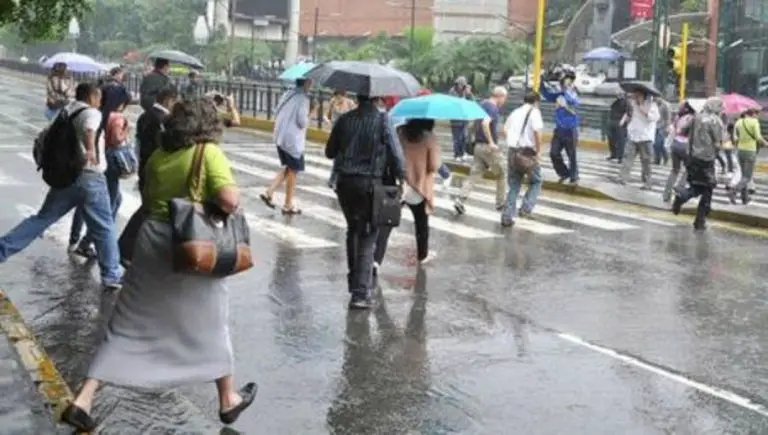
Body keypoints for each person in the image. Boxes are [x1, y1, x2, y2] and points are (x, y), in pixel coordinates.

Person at [60, 98, 256, 432]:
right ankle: (227, 399)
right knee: (211, 319)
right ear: (208, 126)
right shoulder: (207, 152)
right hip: (192, 246)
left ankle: (84, 398)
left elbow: (149, 199)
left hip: (152, 239)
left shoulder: (159, 156)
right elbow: (228, 200)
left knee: (129, 319)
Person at [0, 83, 122, 289]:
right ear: (91, 96)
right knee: (104, 226)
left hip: (68, 176)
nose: (100, 101)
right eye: (98, 96)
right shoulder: (91, 112)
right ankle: (111, 274)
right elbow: (90, 129)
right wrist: (91, 149)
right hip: (90, 177)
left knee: (42, 219)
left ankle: (3, 249)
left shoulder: (68, 110)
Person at [325, 94, 405, 310]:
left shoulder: (344, 120)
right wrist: (401, 177)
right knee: (369, 234)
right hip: (370, 184)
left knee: (353, 229)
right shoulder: (383, 120)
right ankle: (360, 293)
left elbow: (329, 152)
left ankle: (354, 282)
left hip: (345, 183)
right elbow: (396, 155)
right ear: (377, 98)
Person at [68, 100, 131, 257]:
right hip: (107, 162)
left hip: (95, 161)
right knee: (110, 204)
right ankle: (88, 242)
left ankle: (75, 239)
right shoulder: (117, 118)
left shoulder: (100, 115)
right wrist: (127, 131)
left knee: (85, 203)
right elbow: (117, 138)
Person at [375, 119, 439, 270]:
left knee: (387, 223)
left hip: (398, 184)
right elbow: (434, 165)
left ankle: (376, 259)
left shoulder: (399, 132)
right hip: (419, 187)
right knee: (421, 223)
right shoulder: (430, 138)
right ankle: (422, 255)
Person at [671, 97, 726, 231]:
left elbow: (685, 132)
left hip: (693, 156)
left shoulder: (696, 117)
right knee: (706, 188)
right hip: (707, 159)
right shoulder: (716, 121)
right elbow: (718, 142)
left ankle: (697, 217)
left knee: (698, 184)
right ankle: (688, 204)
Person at [259, 78, 312, 215]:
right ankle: (288, 204)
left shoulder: (288, 94)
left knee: (288, 167)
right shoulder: (303, 98)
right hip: (292, 140)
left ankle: (269, 192)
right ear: (306, 83)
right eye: (310, 82)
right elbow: (302, 122)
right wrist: (312, 112)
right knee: (293, 171)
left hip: (280, 137)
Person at [453, 86, 508, 214]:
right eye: (504, 98)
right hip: (488, 148)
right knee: (502, 173)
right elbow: (485, 123)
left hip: (478, 146)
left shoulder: (482, 104)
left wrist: (472, 139)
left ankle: (460, 199)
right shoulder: (493, 107)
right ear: (499, 96)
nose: (504, 101)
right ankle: (501, 203)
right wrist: (491, 142)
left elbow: (472, 123)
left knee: (474, 175)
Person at [501, 92, 544, 227]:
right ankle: (526, 208)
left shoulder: (515, 112)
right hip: (527, 153)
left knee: (514, 184)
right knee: (536, 181)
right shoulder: (535, 112)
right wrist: (538, 151)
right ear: (536, 102)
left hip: (512, 151)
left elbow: (505, 129)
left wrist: (514, 141)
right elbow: (537, 132)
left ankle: (507, 216)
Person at [540, 68, 580, 184]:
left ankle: (574, 176)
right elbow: (546, 94)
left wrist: (565, 96)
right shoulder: (559, 94)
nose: (565, 82)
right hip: (559, 130)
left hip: (570, 129)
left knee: (571, 155)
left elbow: (573, 102)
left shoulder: (573, 92)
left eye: (567, 79)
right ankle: (564, 173)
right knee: (554, 153)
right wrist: (541, 80)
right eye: (564, 80)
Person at [136, 88, 179, 193]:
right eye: (175, 102)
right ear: (168, 100)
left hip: (144, 162)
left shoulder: (143, 115)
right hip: (159, 165)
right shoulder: (165, 119)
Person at [618, 88, 659, 189]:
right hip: (632, 136)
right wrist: (624, 121)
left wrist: (641, 107)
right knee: (627, 158)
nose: (636, 97)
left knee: (646, 162)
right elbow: (629, 115)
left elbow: (653, 118)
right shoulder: (632, 104)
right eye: (635, 95)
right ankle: (623, 178)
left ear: (644, 96)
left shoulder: (652, 105)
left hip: (645, 137)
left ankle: (647, 182)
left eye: (638, 95)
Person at [729, 108, 766, 204]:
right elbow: (758, 137)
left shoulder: (739, 122)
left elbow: (735, 137)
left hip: (740, 151)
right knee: (747, 177)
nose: (757, 116)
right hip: (750, 151)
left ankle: (744, 198)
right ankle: (734, 191)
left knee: (743, 176)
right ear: (753, 114)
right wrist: (766, 143)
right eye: (756, 114)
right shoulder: (754, 122)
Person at [662, 101, 696, 202]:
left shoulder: (678, 117)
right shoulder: (693, 118)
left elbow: (673, 130)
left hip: (675, 144)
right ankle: (680, 186)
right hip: (686, 146)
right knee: (689, 169)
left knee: (674, 170)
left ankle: (666, 194)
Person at [449, 76, 474, 162]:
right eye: (460, 85)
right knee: (457, 138)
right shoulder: (452, 92)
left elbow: (472, 103)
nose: (461, 87)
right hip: (455, 120)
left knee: (464, 137)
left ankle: (463, 153)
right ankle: (457, 154)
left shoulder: (465, 92)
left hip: (464, 119)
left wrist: (469, 94)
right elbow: (455, 104)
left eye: (462, 85)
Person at [606, 91, 629, 163]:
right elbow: (610, 107)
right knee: (611, 139)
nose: (619, 95)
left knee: (621, 140)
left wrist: (623, 121)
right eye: (618, 94)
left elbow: (628, 113)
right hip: (612, 121)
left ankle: (620, 157)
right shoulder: (615, 101)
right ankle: (614, 154)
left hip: (620, 122)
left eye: (621, 94)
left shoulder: (626, 102)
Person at [653, 98, 671, 165]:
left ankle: (661, 158)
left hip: (662, 127)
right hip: (654, 126)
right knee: (655, 144)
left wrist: (668, 127)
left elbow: (668, 117)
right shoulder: (653, 104)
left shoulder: (665, 105)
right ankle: (659, 158)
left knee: (659, 143)